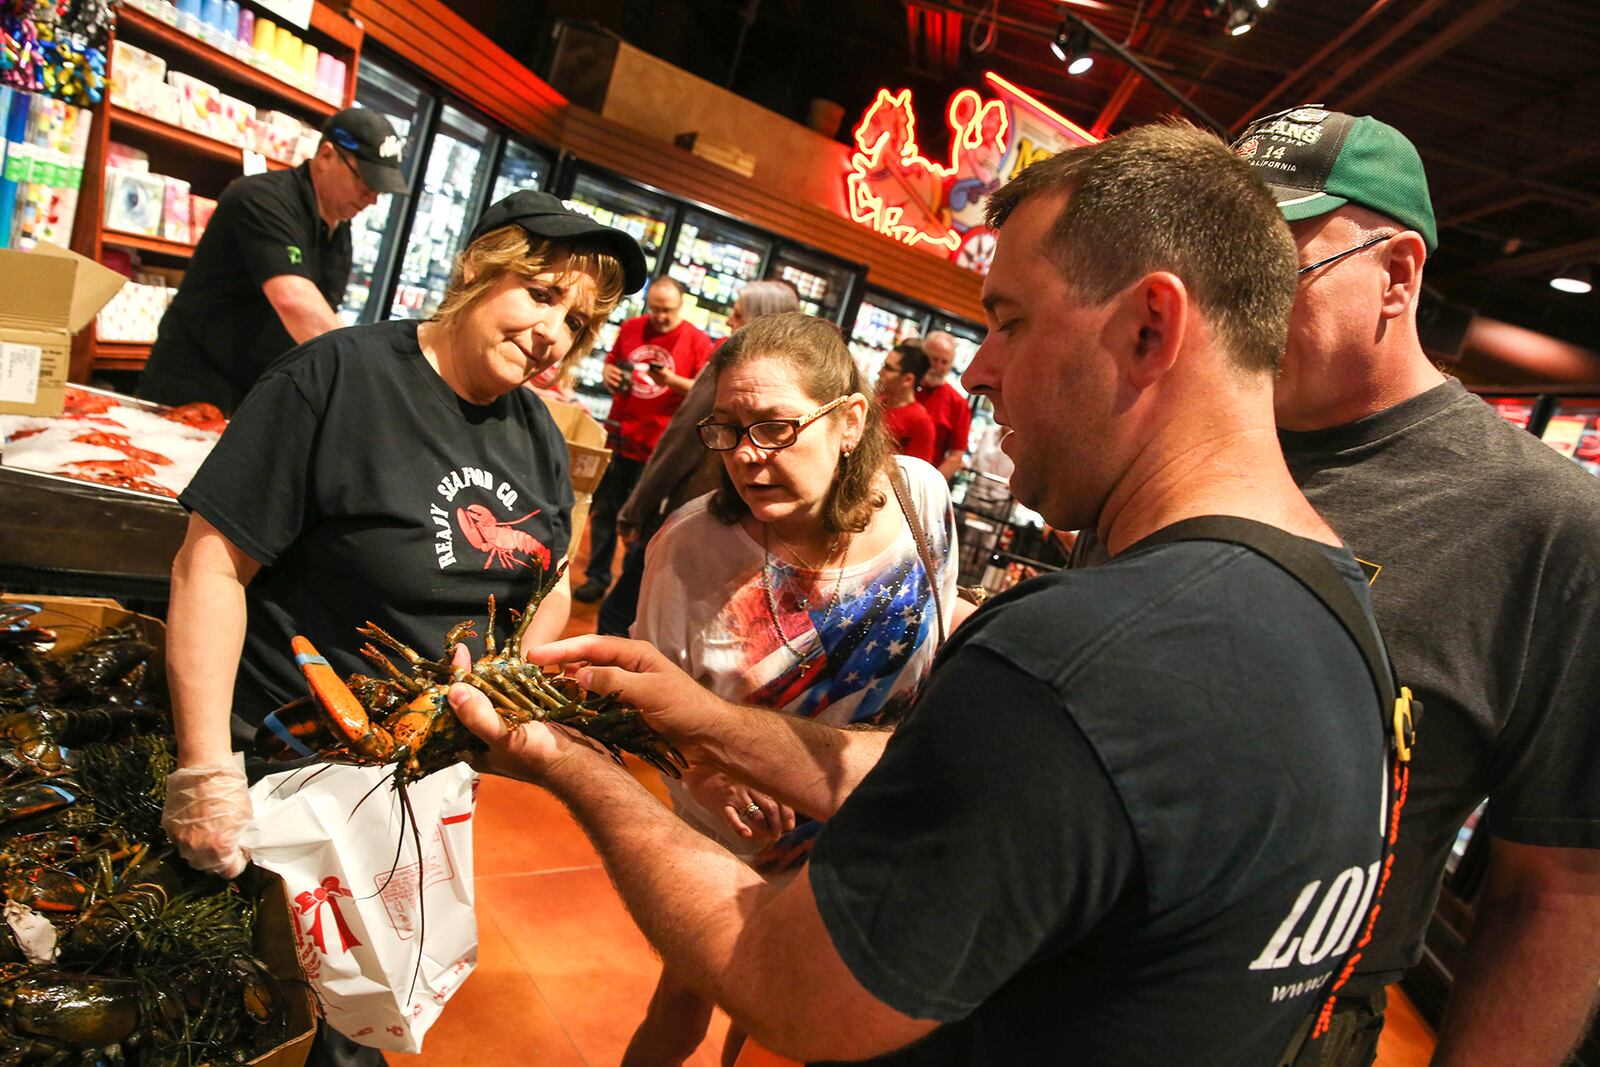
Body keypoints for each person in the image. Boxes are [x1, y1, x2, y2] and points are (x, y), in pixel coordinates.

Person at [449, 124, 1393, 1064]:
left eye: (1011, 319)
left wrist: (578, 765)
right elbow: (960, 789)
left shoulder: (1072, 663)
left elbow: (788, 980)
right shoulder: (1341, 609)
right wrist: (703, 718)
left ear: (1151, 325)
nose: (978, 369)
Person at [1231, 106, 1600, 1067]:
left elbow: (1557, 887)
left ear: (1396, 275)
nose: (1233, 307)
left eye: (1272, 272)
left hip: (1283, 1027)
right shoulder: (1186, 437)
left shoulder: (1547, 522)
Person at [158, 190, 646, 883]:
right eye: (540, 295)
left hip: (420, 784)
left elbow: (552, 579)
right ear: (479, 266)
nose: (552, 335)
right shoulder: (336, 376)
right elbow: (210, 565)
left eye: (575, 321)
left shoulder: (540, 432)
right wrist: (206, 771)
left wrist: (510, 678)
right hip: (280, 772)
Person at [622, 311, 959, 1065]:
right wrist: (707, 776)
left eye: (774, 427)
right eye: (727, 428)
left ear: (848, 421)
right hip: (742, 832)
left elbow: (932, 644)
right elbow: (646, 706)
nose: (746, 455)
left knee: (791, 1030)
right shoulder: (690, 547)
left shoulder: (922, 498)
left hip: (865, 825)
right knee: (682, 1001)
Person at [138, 107, 408, 413]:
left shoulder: (339, 229)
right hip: (194, 382)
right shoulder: (261, 198)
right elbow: (294, 301)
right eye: (365, 182)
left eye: (379, 191)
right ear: (327, 156)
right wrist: (363, 381)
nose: (371, 198)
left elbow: (324, 315)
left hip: (254, 390)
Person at [596, 279, 802, 637]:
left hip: (695, 512)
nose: (729, 323)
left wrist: (636, 510)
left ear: (757, 319)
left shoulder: (729, 366)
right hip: (754, 532)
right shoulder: (798, 380)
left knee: (623, 613)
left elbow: (679, 443)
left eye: (737, 314)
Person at [573, 277, 714, 604]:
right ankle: (597, 577)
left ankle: (631, 585)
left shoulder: (697, 340)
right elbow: (612, 365)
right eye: (655, 309)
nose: (660, 317)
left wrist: (670, 380)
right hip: (620, 435)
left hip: (659, 447)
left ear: (681, 305)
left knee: (642, 522)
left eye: (667, 310)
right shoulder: (633, 327)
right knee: (605, 513)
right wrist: (608, 375)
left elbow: (702, 392)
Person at [914, 330, 973, 480]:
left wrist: (929, 486)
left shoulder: (958, 403)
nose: (938, 367)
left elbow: (956, 456)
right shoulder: (904, 385)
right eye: (934, 359)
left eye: (944, 362)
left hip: (921, 480)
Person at [875, 342, 937, 463]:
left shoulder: (920, 422)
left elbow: (913, 475)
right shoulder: (877, 402)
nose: (880, 372)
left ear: (907, 379)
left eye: (888, 368)